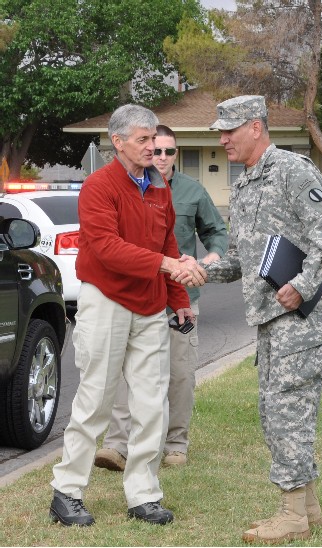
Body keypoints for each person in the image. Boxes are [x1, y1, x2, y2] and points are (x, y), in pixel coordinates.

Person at [176, 95, 322, 544]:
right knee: (277, 412)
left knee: (288, 412)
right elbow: (244, 260)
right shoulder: (246, 182)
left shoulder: (293, 171)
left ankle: (292, 515)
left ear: (256, 127)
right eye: (220, 131)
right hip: (270, 319)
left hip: (300, 318)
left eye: (229, 130)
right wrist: (202, 269)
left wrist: (301, 286)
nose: (222, 139)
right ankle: (309, 506)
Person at [49, 104, 205, 527]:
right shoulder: (99, 186)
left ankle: (144, 494)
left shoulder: (159, 187)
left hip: (151, 304)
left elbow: (168, 242)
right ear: (117, 143)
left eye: (154, 138)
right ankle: (66, 492)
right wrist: (167, 267)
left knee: (151, 403)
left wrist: (179, 300)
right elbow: (105, 247)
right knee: (96, 399)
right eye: (143, 139)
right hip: (107, 299)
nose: (152, 146)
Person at [94, 124, 228, 471]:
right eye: (156, 148)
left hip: (180, 295)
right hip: (137, 293)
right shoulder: (129, 187)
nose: (162, 156)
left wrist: (213, 255)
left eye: (169, 151)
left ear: (176, 153)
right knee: (131, 373)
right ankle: (117, 445)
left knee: (180, 372)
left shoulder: (191, 191)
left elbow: (216, 232)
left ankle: (175, 444)